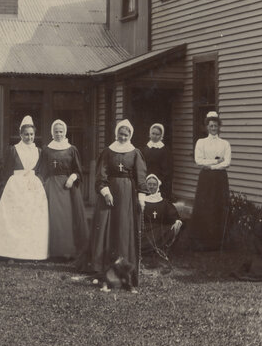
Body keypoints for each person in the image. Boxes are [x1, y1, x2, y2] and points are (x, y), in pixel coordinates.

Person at [0, 116, 49, 260]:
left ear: (35, 135)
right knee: (15, 219)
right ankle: (12, 253)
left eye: (31, 134)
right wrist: (14, 185)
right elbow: (7, 171)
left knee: (32, 219)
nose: (29, 137)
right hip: (16, 187)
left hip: (33, 188)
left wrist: (36, 181)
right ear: (21, 135)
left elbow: (41, 170)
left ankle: (32, 253)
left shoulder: (39, 151)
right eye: (26, 134)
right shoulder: (13, 150)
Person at [88, 119, 147, 291]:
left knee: (123, 229)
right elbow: (101, 174)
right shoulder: (108, 151)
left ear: (130, 135)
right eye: (120, 134)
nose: (123, 137)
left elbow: (140, 176)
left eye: (126, 134)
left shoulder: (135, 153)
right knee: (107, 229)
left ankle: (125, 271)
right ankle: (104, 271)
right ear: (116, 134)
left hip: (127, 195)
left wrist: (141, 197)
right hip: (110, 193)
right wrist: (105, 192)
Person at [37, 119, 90, 267]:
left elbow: (78, 170)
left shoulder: (72, 149)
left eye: (61, 131)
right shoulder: (47, 149)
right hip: (51, 187)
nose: (58, 134)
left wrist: (72, 178)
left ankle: (69, 252)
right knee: (53, 218)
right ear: (52, 133)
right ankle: (52, 252)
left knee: (68, 218)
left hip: (68, 188)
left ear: (65, 132)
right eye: (56, 131)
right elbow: (42, 170)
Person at [191, 110, 231, 251]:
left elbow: (227, 162)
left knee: (218, 205)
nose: (213, 128)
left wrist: (211, 166)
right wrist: (215, 161)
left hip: (220, 178)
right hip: (206, 179)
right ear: (206, 127)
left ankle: (219, 241)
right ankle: (203, 241)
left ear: (219, 127)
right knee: (205, 206)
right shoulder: (201, 142)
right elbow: (198, 161)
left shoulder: (225, 143)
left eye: (216, 126)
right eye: (211, 126)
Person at [138, 173, 183, 267]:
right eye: (149, 184)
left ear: (158, 186)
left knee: (167, 230)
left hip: (159, 229)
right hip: (145, 229)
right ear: (146, 186)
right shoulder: (141, 201)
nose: (151, 187)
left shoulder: (164, 202)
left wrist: (177, 221)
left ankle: (156, 254)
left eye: (154, 184)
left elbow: (173, 215)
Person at [142, 123, 172, 200]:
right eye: (153, 133)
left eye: (157, 134)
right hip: (146, 180)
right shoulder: (145, 149)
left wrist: (160, 181)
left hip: (160, 181)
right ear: (150, 134)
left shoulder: (165, 150)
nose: (155, 136)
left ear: (161, 136)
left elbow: (167, 169)